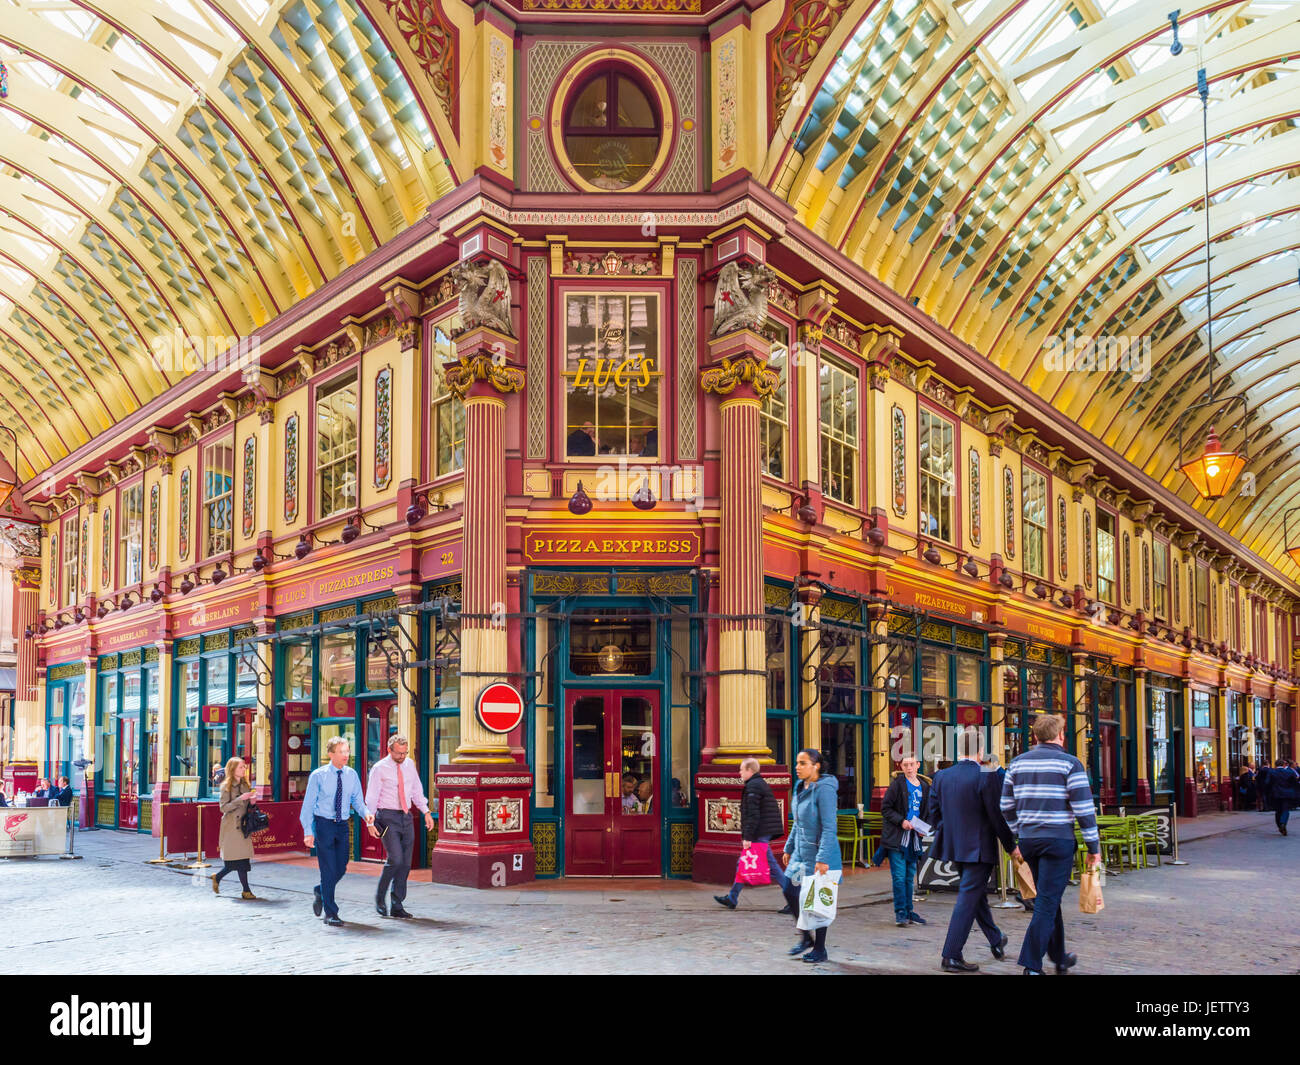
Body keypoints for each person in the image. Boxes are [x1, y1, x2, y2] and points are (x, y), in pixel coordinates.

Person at [1000, 713, 1101, 976]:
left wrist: (1018, 833)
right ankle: (1031, 965)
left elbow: (1006, 806)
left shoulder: (1017, 764)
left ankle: (1059, 957)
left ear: (1035, 736)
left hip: (1030, 840)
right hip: (1059, 840)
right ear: (1060, 735)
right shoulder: (1070, 764)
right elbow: (1083, 808)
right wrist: (1094, 847)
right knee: (1046, 900)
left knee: (1048, 897)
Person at [927, 727, 1016, 973]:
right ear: (980, 750)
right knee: (968, 899)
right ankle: (951, 954)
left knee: (975, 896)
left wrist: (949, 830)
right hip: (979, 847)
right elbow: (996, 816)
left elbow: (933, 813)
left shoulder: (942, 777)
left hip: (955, 846)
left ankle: (996, 939)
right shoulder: (985, 775)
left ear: (958, 750)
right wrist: (1011, 846)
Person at [299, 737, 375, 927]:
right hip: (323, 824)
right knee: (328, 869)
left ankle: (320, 891)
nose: (346, 755)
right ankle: (331, 913)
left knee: (341, 867)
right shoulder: (318, 775)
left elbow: (357, 800)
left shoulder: (352, 775)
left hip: (342, 825)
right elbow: (307, 806)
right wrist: (308, 831)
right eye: (341, 752)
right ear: (331, 754)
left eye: (347, 751)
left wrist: (366, 814)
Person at [781, 747, 841, 964]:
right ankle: (806, 937)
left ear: (816, 766)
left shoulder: (824, 789)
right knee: (789, 890)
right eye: (797, 762)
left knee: (817, 902)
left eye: (802, 763)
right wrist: (788, 847)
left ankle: (820, 949)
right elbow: (797, 821)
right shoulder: (800, 786)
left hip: (820, 855)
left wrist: (823, 858)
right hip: (800, 853)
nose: (797, 767)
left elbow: (829, 826)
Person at [365, 734, 434, 918]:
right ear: (390, 750)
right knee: (395, 858)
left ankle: (397, 904)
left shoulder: (409, 765)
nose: (402, 757)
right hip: (386, 816)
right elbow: (371, 797)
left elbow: (416, 790)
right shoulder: (379, 769)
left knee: (405, 863)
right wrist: (369, 822)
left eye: (405, 753)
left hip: (406, 817)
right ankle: (380, 897)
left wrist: (426, 812)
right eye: (399, 753)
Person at [715, 757, 787, 910]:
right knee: (743, 863)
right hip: (762, 831)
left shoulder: (754, 786)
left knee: (771, 867)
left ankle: (794, 899)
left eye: (741, 769)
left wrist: (747, 837)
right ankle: (732, 898)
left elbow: (753, 815)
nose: (739, 772)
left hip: (760, 832)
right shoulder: (756, 784)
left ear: (750, 770)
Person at [879, 757, 930, 927]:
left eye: (911, 764)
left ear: (918, 765)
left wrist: (924, 828)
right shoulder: (897, 785)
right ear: (901, 767)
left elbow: (927, 810)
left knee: (909, 877)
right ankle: (900, 912)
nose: (909, 768)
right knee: (899, 877)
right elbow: (885, 808)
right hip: (897, 838)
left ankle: (909, 911)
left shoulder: (924, 786)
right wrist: (901, 821)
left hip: (914, 838)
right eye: (905, 765)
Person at [212, 757, 258, 899]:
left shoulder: (245, 785)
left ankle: (221, 879)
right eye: (241, 767)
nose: (244, 769)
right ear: (233, 769)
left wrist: (252, 801)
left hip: (243, 826)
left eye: (244, 767)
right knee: (234, 861)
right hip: (231, 827)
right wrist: (240, 799)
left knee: (242, 860)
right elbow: (223, 807)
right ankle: (245, 890)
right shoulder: (226, 786)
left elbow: (249, 807)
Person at [1267, 760, 1300, 836]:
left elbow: (1267, 783)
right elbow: (1295, 783)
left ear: (1275, 765)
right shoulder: (1289, 772)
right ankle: (1283, 823)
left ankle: (1279, 826)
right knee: (1285, 810)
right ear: (1284, 765)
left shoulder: (1272, 772)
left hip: (1276, 794)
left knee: (1278, 811)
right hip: (1287, 794)